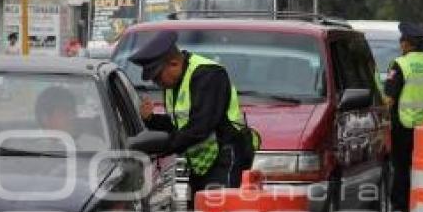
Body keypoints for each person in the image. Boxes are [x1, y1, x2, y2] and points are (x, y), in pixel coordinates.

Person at [128, 30, 257, 193]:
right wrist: (152, 120)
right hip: (201, 164)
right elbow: (181, 123)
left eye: (158, 77)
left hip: (226, 157)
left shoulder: (208, 75)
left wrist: (161, 147)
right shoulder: (173, 83)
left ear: (174, 63)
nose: (157, 83)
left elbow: (200, 127)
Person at [384, 22, 423, 212]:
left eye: (401, 41)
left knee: (401, 165)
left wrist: (384, 120)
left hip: (404, 124)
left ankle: (401, 205)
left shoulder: (400, 64)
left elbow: (389, 98)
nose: (400, 44)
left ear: (407, 44)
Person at [34, 85, 107, 152]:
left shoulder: (94, 145)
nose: (72, 116)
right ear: (45, 118)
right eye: (65, 111)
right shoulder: (33, 151)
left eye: (73, 111)